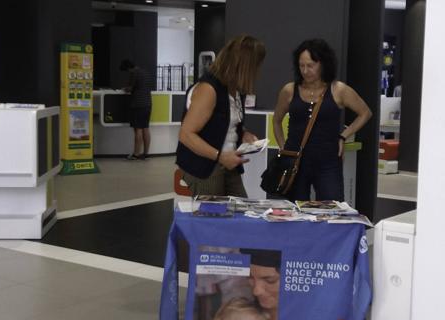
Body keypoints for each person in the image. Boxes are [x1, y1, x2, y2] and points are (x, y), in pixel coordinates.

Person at [272, 38, 372, 201]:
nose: (305, 70)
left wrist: (343, 135)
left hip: (328, 161)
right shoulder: (289, 90)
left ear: (323, 64)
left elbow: (365, 113)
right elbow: (276, 121)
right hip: (295, 161)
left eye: (311, 65)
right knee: (294, 212)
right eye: (301, 65)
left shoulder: (338, 90)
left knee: (331, 209)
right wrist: (284, 149)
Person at [176, 35, 266, 197]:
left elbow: (224, 120)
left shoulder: (235, 89)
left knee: (239, 214)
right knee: (212, 218)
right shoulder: (209, 89)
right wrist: (220, 156)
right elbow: (186, 134)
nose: (258, 71)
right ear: (245, 65)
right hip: (205, 168)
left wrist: (243, 133)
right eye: (256, 65)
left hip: (228, 165)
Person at [120, 59, 154, 160]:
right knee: (146, 128)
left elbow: (130, 88)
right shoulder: (146, 72)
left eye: (127, 70)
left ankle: (136, 154)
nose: (128, 73)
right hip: (148, 104)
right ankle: (146, 153)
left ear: (128, 68)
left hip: (138, 104)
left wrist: (124, 89)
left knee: (138, 129)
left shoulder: (134, 73)